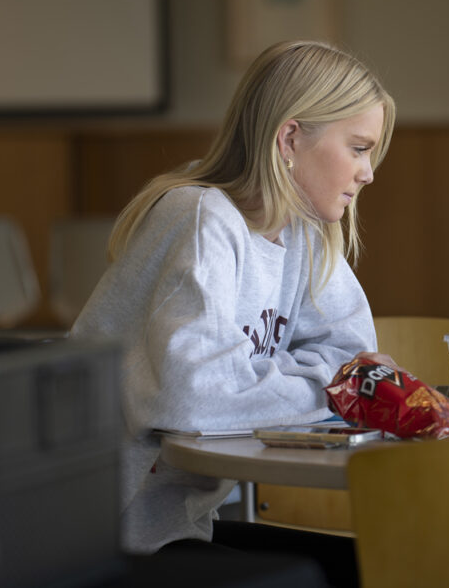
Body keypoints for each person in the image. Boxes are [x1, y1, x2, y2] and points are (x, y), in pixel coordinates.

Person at [70, 39, 395, 583]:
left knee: (378, 567)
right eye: (359, 149)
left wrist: (280, 379)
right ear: (290, 138)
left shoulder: (304, 232)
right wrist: (331, 386)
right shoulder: (201, 216)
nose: (368, 174)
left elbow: (354, 359)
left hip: (178, 525)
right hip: (98, 535)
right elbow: (191, 397)